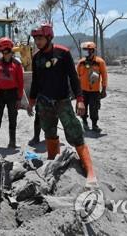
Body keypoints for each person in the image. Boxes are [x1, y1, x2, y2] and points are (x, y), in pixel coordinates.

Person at [27, 23, 98, 189]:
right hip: (44, 103)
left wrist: (80, 99)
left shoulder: (63, 53)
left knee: (75, 133)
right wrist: (31, 102)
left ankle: (90, 171)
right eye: (35, 39)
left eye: (40, 38)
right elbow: (36, 82)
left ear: (49, 37)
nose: (37, 42)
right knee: (49, 132)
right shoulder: (36, 58)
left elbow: (74, 78)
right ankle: (53, 161)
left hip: (63, 101)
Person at [0, 37, 24, 150]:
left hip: (13, 94)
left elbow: (20, 83)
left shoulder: (17, 65)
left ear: (9, 50)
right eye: (3, 51)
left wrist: (19, 99)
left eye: (6, 51)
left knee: (13, 118)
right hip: (0, 94)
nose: (5, 53)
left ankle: (12, 142)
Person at [76, 41, 108, 133]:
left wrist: (104, 89)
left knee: (94, 109)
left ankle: (94, 124)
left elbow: (104, 76)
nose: (88, 52)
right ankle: (84, 122)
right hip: (83, 91)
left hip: (94, 91)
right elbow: (76, 76)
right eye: (86, 50)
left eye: (90, 50)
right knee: (83, 108)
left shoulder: (100, 62)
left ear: (93, 50)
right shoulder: (81, 62)